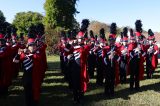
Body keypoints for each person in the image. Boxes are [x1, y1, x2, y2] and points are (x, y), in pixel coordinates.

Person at [13, 29, 42, 106]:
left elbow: (37, 58)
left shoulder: (38, 54)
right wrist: (19, 54)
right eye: (31, 45)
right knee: (27, 93)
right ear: (28, 46)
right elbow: (15, 61)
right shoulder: (23, 54)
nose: (32, 47)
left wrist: (28, 54)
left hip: (35, 77)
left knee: (35, 93)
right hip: (26, 77)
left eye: (34, 45)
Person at [103, 23, 120, 97]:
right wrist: (108, 58)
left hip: (113, 66)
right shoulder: (106, 48)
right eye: (110, 40)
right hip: (107, 66)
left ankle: (112, 92)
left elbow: (119, 58)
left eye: (112, 40)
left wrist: (115, 56)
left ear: (114, 41)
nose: (111, 41)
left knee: (112, 80)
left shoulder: (117, 48)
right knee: (107, 80)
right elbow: (103, 58)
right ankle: (106, 92)